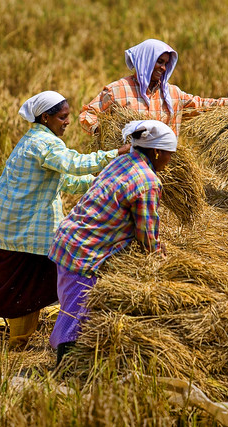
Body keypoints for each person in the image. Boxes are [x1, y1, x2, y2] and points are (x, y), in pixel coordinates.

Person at [0, 91, 130, 349]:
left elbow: (65, 179)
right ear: (45, 117)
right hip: (22, 234)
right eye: (62, 117)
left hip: (3, 227)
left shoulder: (32, 140)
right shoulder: (45, 144)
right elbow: (74, 164)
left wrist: (101, 183)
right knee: (28, 286)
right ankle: (17, 343)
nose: (67, 122)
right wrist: (115, 155)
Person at [48, 119, 177, 365]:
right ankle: (65, 369)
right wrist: (162, 259)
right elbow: (147, 236)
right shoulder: (148, 182)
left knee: (71, 306)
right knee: (77, 315)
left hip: (69, 238)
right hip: (85, 252)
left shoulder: (122, 161)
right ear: (157, 151)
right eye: (169, 156)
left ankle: (70, 357)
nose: (169, 163)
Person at [79, 38, 228, 137]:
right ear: (146, 61)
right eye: (159, 62)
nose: (163, 68)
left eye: (166, 64)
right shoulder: (117, 90)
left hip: (162, 167)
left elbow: (200, 105)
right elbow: (88, 114)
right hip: (126, 169)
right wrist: (105, 134)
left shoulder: (172, 94)